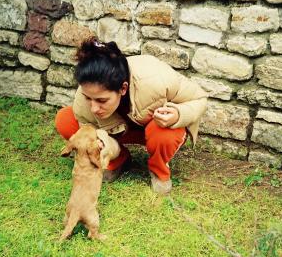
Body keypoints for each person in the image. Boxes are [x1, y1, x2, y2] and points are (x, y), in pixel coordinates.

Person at [54, 37, 207, 194]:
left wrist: (177, 115)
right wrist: (105, 147)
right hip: (115, 132)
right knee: (65, 120)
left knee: (166, 133)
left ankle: (158, 169)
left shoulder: (156, 77)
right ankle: (119, 161)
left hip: (154, 129)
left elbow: (200, 99)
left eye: (102, 100)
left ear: (123, 88)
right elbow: (91, 134)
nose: (93, 108)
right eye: (88, 98)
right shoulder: (83, 98)